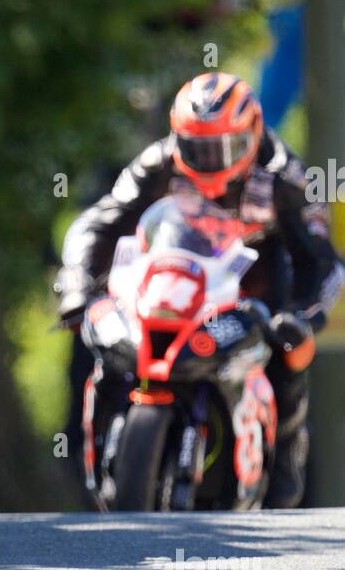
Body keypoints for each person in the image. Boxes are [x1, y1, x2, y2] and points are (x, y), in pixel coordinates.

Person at [55, 72, 345, 507]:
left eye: (221, 149)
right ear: (178, 137)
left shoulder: (285, 177)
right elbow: (98, 222)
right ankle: (102, 451)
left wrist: (302, 317)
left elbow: (324, 264)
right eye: (197, 149)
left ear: (250, 133)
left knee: (291, 355)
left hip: (252, 297)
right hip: (171, 291)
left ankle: (283, 479)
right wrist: (78, 290)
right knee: (102, 343)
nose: (209, 163)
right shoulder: (158, 162)